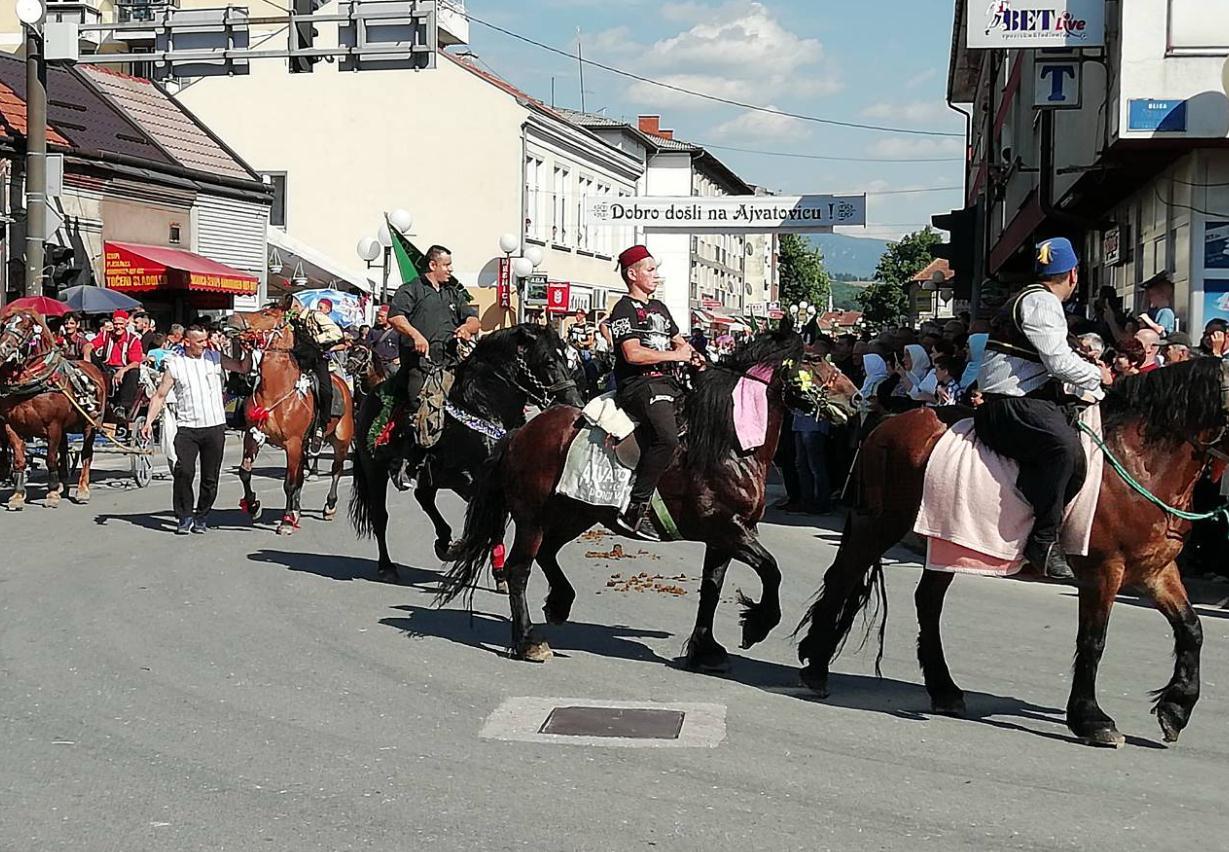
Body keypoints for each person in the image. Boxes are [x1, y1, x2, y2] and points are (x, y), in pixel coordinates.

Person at [975, 238, 1113, 581]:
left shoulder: (1032, 299)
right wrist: (1100, 375)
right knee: (1064, 449)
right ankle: (1043, 542)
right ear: (1073, 274)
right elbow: (1059, 363)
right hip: (1011, 405)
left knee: (1074, 448)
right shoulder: (1042, 302)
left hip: (1019, 400)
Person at [608, 244, 697, 540]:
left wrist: (695, 357)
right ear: (632, 274)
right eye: (650, 270)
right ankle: (636, 508)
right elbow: (632, 354)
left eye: (655, 270)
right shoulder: (622, 309)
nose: (656, 276)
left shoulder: (660, 308)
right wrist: (676, 356)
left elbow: (679, 343)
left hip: (668, 382)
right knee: (667, 437)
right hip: (639, 384)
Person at [386, 244, 480, 488]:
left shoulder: (452, 293)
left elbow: (473, 319)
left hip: (451, 362)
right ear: (432, 265)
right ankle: (405, 463)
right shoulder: (411, 290)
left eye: (450, 265)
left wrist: (466, 328)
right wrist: (416, 335)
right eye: (446, 265)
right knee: (422, 407)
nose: (451, 269)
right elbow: (396, 317)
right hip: (421, 364)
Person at [143, 325, 252, 535]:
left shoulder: (215, 357)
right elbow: (160, 395)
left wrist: (247, 350)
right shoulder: (175, 364)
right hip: (187, 428)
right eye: (199, 341)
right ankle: (184, 516)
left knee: (210, 478)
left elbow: (242, 368)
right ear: (187, 342)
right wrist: (148, 422)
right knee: (184, 472)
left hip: (214, 426)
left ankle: (201, 516)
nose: (204, 344)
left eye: (205, 340)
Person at [93, 309, 144, 421]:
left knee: (134, 372)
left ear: (126, 324)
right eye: (115, 323)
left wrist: (122, 371)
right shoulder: (106, 335)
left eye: (120, 324)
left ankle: (122, 406)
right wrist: (87, 355)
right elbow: (90, 345)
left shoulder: (133, 339)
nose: (118, 327)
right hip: (106, 367)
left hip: (123, 369)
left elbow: (136, 362)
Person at [364, 305, 402, 380]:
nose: (379, 318)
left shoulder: (397, 331)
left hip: (392, 364)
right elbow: (367, 346)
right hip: (376, 366)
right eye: (378, 315)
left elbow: (404, 346)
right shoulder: (373, 330)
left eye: (382, 316)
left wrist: (400, 358)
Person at [1138, 273, 1177, 338]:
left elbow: (1160, 331)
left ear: (1162, 295)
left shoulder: (1166, 312)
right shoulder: (1154, 311)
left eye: (1152, 295)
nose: (1150, 298)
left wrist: (1147, 319)